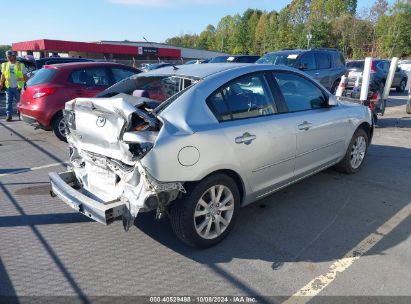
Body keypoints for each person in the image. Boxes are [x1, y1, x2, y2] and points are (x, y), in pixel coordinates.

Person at [0, 50, 28, 121]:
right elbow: (3, 76)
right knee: (8, 102)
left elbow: (25, 76)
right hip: (8, 87)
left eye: (10, 56)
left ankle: (20, 114)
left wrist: (28, 84)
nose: (8, 58)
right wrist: (1, 84)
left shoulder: (20, 65)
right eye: (7, 56)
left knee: (20, 102)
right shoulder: (5, 65)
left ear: (14, 56)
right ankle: (9, 116)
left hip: (18, 87)